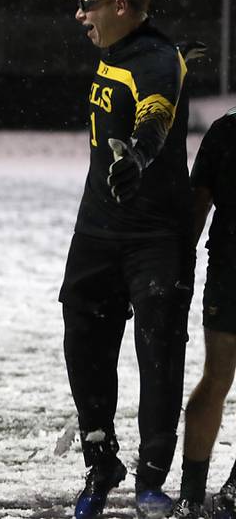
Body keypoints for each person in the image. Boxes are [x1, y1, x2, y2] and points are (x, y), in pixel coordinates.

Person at [59, 0, 195, 519]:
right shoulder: (121, 51)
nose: (79, 14)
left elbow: (155, 114)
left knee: (159, 352)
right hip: (96, 230)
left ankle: (151, 482)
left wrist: (138, 156)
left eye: (88, 4)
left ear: (121, 7)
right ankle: (101, 461)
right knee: (83, 343)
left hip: (156, 237)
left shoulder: (159, 59)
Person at [172, 109, 236, 518]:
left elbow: (198, 206)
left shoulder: (226, 130)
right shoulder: (226, 131)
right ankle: (198, 493)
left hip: (229, 267)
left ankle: (193, 495)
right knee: (215, 377)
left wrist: (178, 267)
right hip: (230, 267)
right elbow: (197, 205)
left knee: (215, 377)